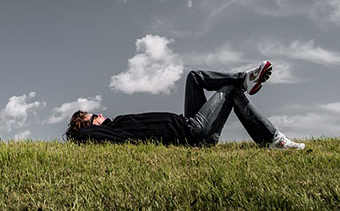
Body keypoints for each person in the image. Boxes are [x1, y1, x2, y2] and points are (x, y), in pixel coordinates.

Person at [65, 61, 305, 149]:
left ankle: (244, 78)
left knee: (194, 77)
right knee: (231, 92)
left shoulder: (117, 123)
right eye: (91, 117)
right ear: (87, 127)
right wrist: (81, 127)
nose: (97, 114)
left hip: (187, 121)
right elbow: (85, 135)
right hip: (192, 132)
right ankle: (274, 140)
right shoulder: (105, 133)